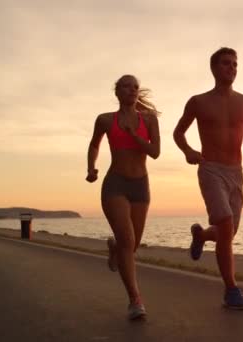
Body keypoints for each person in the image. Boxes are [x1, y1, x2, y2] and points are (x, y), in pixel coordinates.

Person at [173, 47, 243, 310]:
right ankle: (231, 290)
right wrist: (188, 151)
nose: (231, 68)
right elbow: (179, 133)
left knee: (227, 233)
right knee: (225, 222)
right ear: (213, 68)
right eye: (226, 64)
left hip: (236, 173)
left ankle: (201, 236)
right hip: (210, 169)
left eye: (235, 64)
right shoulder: (198, 102)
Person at [86, 74, 161, 320]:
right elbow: (95, 145)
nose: (132, 90)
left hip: (140, 186)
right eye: (126, 86)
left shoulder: (149, 120)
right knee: (128, 241)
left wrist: (135, 135)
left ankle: (115, 248)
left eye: (135, 87)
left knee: (132, 244)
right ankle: (135, 300)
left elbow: (155, 152)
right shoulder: (105, 120)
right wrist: (91, 167)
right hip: (115, 184)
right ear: (117, 92)